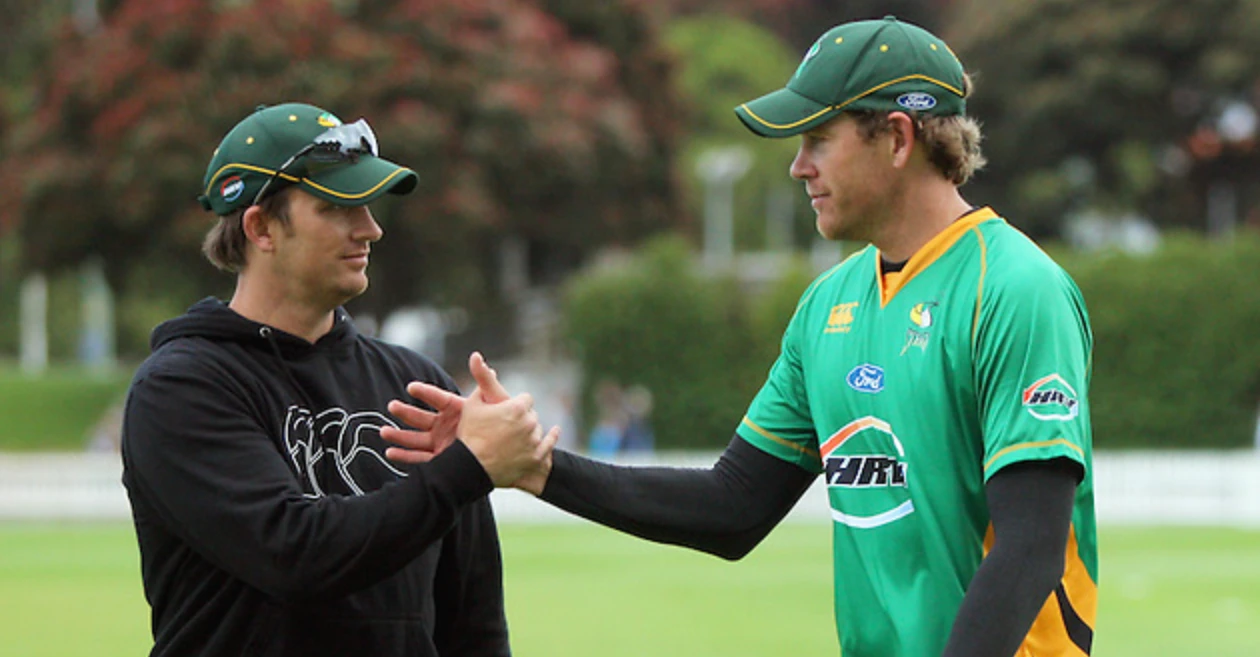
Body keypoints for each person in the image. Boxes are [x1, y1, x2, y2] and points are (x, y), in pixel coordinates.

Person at [386, 16, 1097, 657]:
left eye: (818, 138)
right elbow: (733, 507)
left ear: (898, 138)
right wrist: (534, 467)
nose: (798, 166)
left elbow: (1029, 549)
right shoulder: (827, 306)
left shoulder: (1014, 289)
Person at [120, 102, 556, 657]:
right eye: (336, 208)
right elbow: (295, 556)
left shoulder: (414, 383)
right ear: (260, 228)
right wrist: (465, 468)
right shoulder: (181, 388)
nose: (370, 229)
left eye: (369, 207)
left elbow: (473, 622)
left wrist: (465, 470)